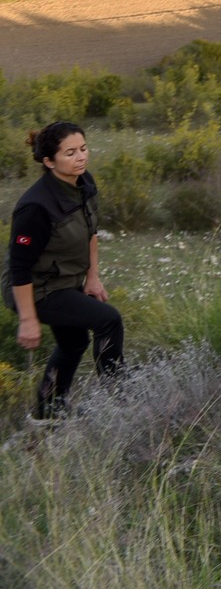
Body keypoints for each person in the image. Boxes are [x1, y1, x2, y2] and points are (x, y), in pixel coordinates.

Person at [8, 122, 122, 419]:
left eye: (83, 149)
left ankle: (47, 416)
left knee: (74, 342)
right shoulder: (36, 206)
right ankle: (122, 399)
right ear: (49, 161)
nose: (81, 157)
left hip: (65, 280)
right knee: (108, 320)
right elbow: (19, 267)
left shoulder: (83, 182)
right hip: (36, 288)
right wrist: (28, 319)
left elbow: (90, 230)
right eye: (70, 153)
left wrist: (92, 278)